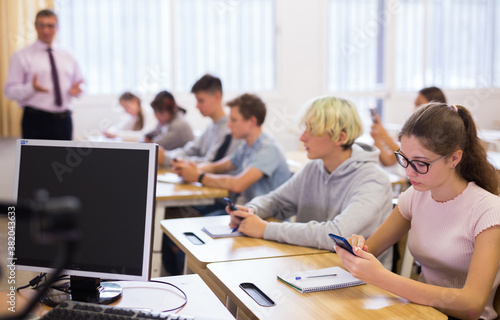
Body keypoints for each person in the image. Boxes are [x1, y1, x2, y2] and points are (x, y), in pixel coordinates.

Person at [337, 103, 500, 320]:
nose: (408, 171)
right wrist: (356, 249)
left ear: (454, 158)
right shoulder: (415, 196)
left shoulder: (488, 210)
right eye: (404, 158)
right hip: (421, 312)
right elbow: (370, 250)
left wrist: (384, 278)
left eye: (421, 163)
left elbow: (472, 305)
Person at [226, 96, 394, 269]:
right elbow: (276, 201)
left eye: (312, 130)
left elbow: (338, 235)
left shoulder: (373, 179)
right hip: (313, 269)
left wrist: (265, 229)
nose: (302, 137)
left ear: (340, 137)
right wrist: (251, 210)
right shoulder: (314, 168)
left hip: (360, 283)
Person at [173, 93, 292, 207]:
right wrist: (189, 169)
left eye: (234, 120)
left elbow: (237, 184)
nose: (229, 125)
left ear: (252, 121)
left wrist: (199, 177)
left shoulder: (268, 149)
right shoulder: (247, 146)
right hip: (246, 213)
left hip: (266, 221)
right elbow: (216, 167)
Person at [4, 9, 84, 140]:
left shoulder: (69, 55)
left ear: (57, 27)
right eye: (41, 25)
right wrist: (31, 88)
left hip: (63, 121)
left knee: (64, 160)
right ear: (35, 26)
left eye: (50, 26)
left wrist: (78, 90)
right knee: (35, 160)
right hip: (35, 121)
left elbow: (82, 83)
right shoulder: (21, 56)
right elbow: (9, 92)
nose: (45, 30)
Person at [157, 74, 242, 166]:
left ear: (217, 97)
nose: (197, 106)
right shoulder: (211, 126)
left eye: (201, 100)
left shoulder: (228, 131)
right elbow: (191, 150)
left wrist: (167, 159)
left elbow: (210, 164)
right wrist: (166, 155)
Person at [371, 86, 447, 167]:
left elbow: (403, 155)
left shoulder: (437, 134)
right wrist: (376, 139)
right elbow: (389, 161)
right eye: (415, 104)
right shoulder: (415, 129)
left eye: (419, 104)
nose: (414, 110)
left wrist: (383, 134)